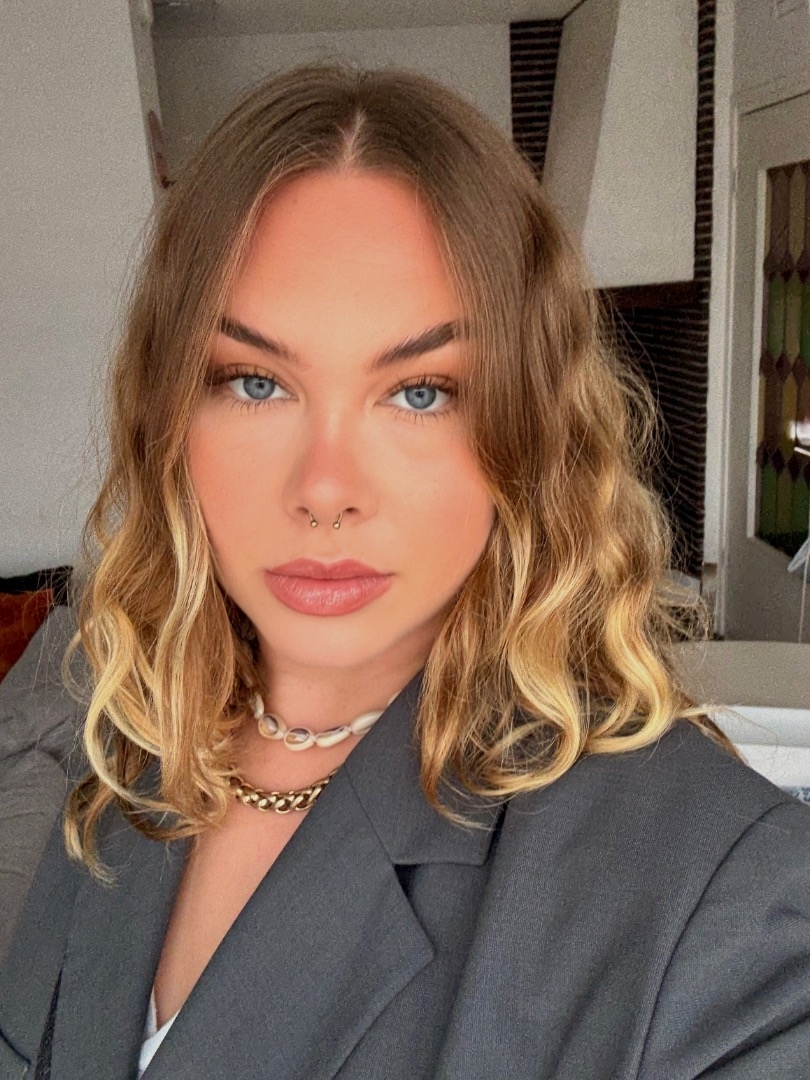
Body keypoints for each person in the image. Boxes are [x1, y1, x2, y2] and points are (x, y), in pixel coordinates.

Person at [0, 63, 808, 1080]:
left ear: (528, 428)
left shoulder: (721, 903)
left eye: (421, 392)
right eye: (254, 382)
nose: (325, 489)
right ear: (168, 417)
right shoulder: (122, 742)